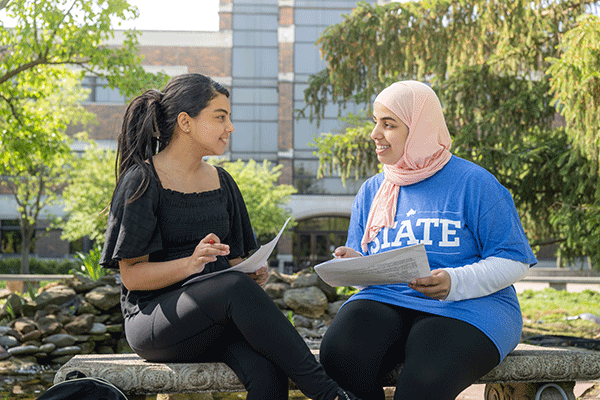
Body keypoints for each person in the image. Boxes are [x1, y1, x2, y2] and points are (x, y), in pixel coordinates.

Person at [100, 73, 359, 400]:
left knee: (269, 373)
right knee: (236, 289)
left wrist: (253, 271)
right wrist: (190, 265)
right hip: (155, 322)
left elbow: (235, 263)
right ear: (186, 122)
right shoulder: (142, 181)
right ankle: (329, 395)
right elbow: (132, 276)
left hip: (216, 320)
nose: (230, 127)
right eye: (220, 117)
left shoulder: (222, 182)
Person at [319, 81, 537, 400]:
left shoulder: (476, 183)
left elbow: (514, 260)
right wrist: (355, 263)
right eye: (375, 122)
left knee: (423, 382)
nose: (375, 134)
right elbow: (366, 259)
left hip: (468, 306)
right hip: (387, 299)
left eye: (388, 124)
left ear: (420, 128)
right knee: (339, 354)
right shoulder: (372, 189)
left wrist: (456, 280)